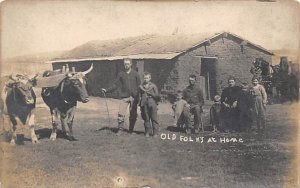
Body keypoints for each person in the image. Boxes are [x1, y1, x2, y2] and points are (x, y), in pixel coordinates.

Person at [101, 58, 141, 135]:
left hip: (134, 97)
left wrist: (139, 97)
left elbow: (139, 86)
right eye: (125, 64)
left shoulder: (136, 74)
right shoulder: (121, 74)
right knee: (121, 113)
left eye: (128, 64)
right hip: (124, 97)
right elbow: (115, 84)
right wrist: (106, 90)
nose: (126, 65)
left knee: (133, 114)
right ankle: (120, 129)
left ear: (131, 64)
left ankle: (131, 130)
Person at [139, 72, 160, 137]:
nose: (146, 79)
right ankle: (147, 131)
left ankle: (155, 132)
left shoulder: (153, 86)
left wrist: (151, 94)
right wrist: (140, 103)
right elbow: (139, 96)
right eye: (144, 78)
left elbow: (157, 96)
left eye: (147, 78)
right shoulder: (141, 86)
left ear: (150, 78)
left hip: (152, 103)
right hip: (144, 103)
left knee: (154, 118)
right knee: (146, 118)